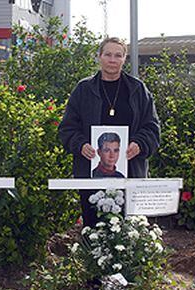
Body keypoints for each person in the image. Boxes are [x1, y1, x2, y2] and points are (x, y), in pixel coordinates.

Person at [58, 37, 160, 227]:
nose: (112, 60)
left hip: (131, 174)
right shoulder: (83, 89)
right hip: (91, 177)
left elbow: (152, 128)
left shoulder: (138, 89)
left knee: (130, 232)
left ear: (124, 59)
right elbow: (67, 128)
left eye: (118, 55)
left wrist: (139, 144)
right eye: (108, 55)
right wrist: (81, 145)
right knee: (94, 229)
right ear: (99, 57)